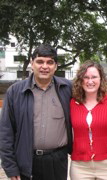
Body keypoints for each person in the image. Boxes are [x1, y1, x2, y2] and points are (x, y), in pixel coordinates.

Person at [0, 44, 73, 180]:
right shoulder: (15, 92)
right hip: (26, 161)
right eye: (40, 61)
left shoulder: (67, 88)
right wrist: (10, 166)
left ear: (55, 66)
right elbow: (5, 132)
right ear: (31, 63)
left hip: (57, 161)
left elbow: (92, 95)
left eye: (50, 62)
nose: (44, 66)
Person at [70, 60, 107, 180]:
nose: (90, 81)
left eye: (94, 77)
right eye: (86, 77)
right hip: (80, 166)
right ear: (80, 80)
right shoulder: (72, 103)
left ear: (101, 79)